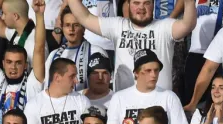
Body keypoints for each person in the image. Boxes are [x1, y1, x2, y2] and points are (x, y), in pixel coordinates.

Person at [65, 0, 196, 92]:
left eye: (146, 3)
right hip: (125, 108)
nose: (141, 8)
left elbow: (188, 25)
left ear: (153, 5)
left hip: (158, 107)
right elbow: (85, 18)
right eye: (136, 3)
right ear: (128, 5)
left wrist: (190, 2)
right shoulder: (118, 26)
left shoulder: (164, 27)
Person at [104, 50, 187, 124]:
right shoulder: (119, 98)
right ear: (136, 73)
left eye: (156, 70)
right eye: (148, 71)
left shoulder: (169, 97)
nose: (153, 75)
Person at [23, 57, 91, 124]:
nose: (76, 81)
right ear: (57, 77)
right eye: (72, 76)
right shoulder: (34, 104)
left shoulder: (82, 101)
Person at [45, 6, 105, 91]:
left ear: (83, 28)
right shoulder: (53, 55)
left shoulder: (96, 52)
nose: (71, 29)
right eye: (67, 25)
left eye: (76, 25)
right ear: (62, 28)